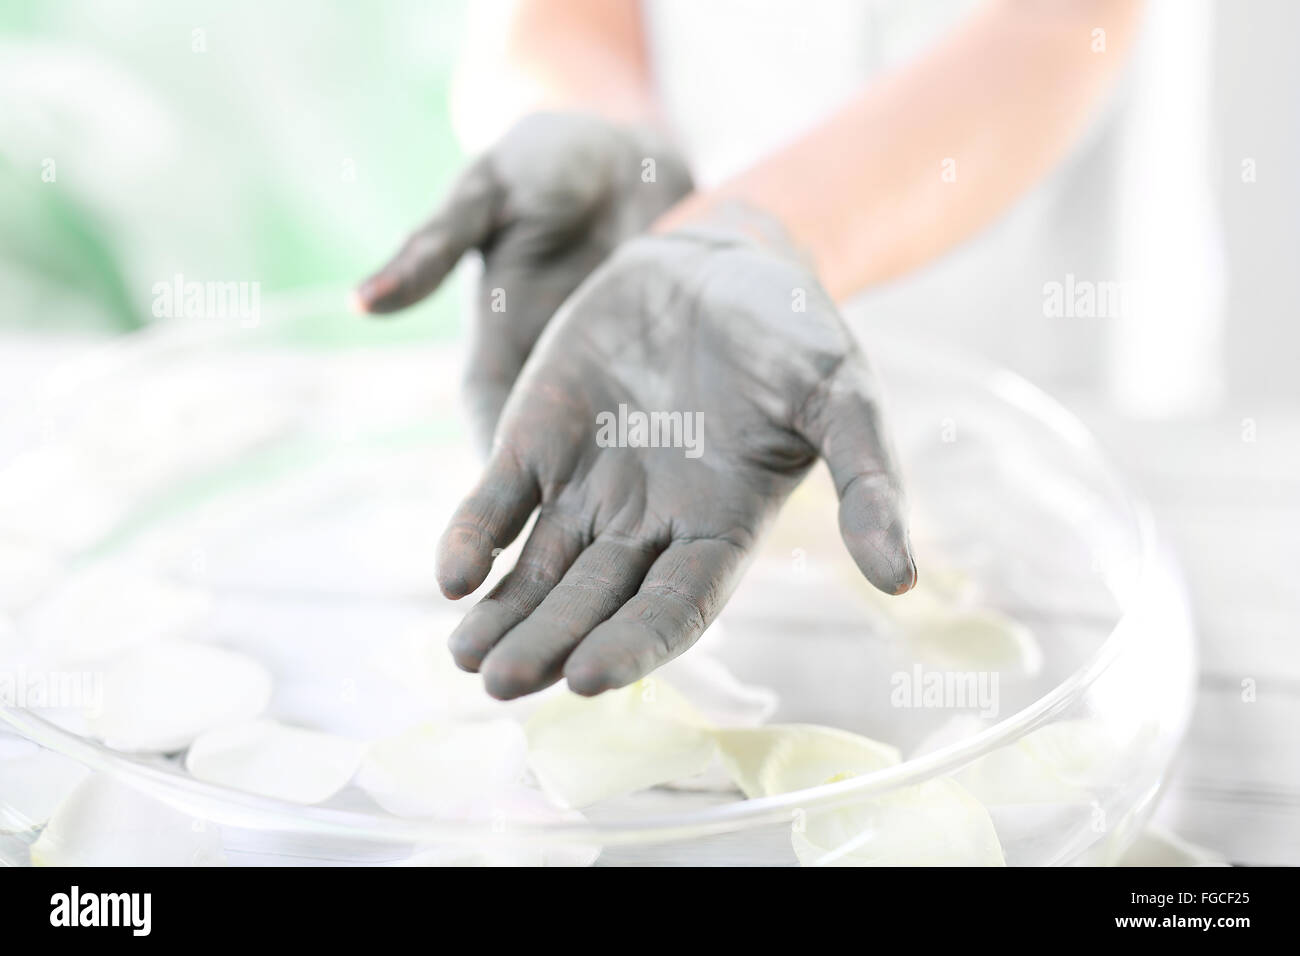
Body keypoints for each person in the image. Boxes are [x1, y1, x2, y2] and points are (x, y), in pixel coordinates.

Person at [352, 0, 1220, 700]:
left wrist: (756, 229)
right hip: (668, 334)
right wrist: (585, 118)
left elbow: (1063, 19)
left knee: (1064, 658)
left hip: (1029, 318)